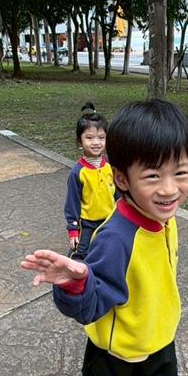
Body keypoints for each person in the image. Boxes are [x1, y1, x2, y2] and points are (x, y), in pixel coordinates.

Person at [21, 99, 188, 376]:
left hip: (157, 334)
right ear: (122, 179)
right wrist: (76, 284)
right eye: (153, 176)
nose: (169, 189)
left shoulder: (164, 218)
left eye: (180, 172)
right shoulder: (115, 238)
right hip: (118, 345)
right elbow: (91, 305)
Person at [63, 101, 116, 259]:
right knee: (81, 254)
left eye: (101, 138)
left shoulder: (110, 167)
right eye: (89, 138)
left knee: (110, 252)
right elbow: (72, 203)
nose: (96, 142)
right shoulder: (78, 172)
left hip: (110, 220)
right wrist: (73, 230)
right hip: (87, 224)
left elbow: (118, 194)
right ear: (80, 141)